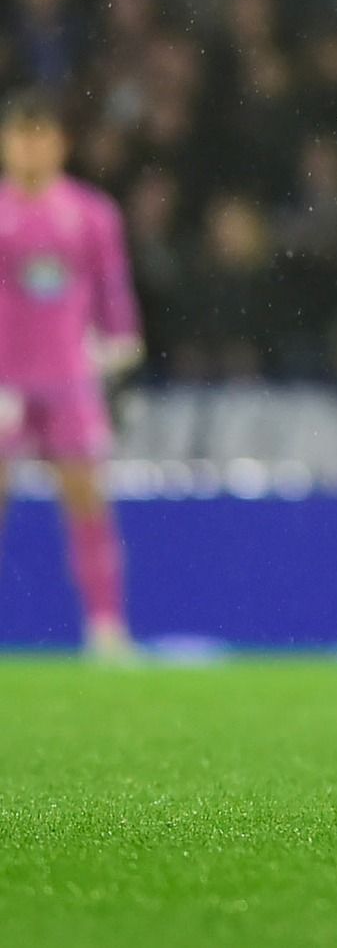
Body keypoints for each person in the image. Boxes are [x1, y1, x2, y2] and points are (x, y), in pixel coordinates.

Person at [0, 90, 145, 658]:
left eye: (41, 136)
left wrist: (123, 349)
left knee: (86, 499)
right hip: (5, 381)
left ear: (60, 142)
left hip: (68, 378)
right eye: (21, 135)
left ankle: (106, 627)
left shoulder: (91, 213)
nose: (31, 148)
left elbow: (112, 289)